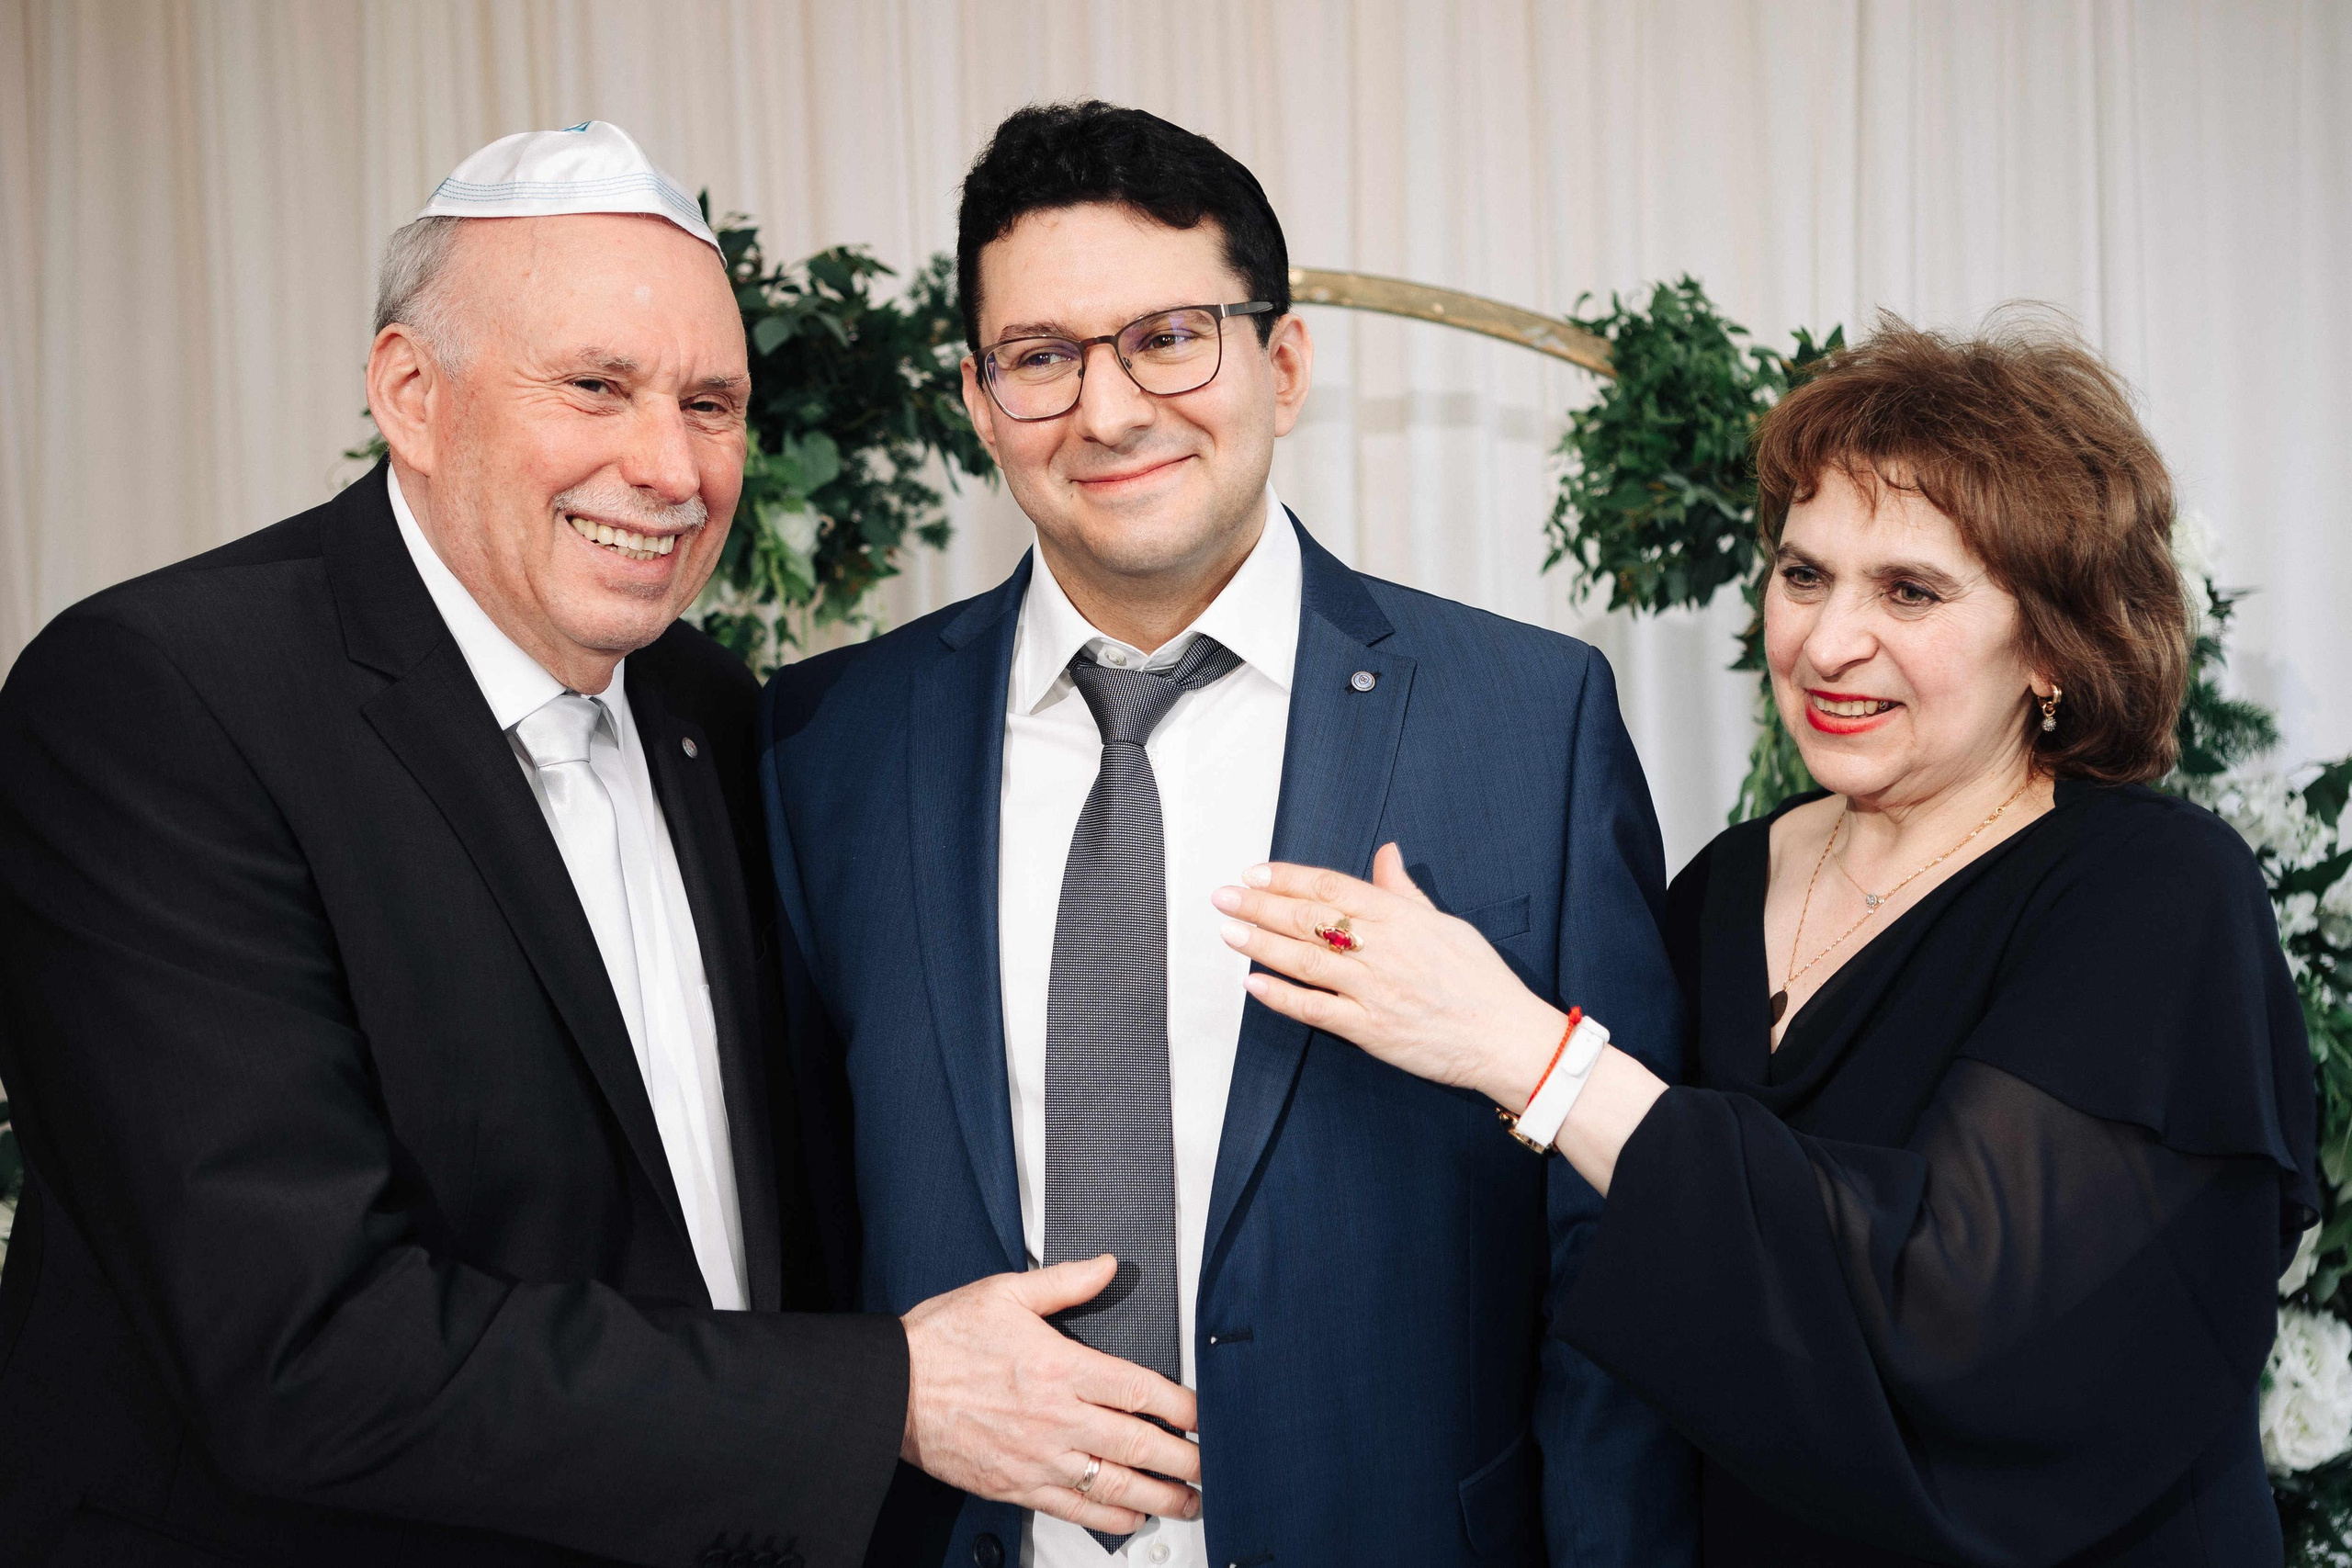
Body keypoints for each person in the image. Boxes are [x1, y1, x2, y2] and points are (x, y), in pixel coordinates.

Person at [0, 123, 1197, 1568]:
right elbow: (299, 1351)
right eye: (595, 388)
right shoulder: (160, 697)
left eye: (711, 403)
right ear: (410, 394)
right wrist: (892, 1391)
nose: (670, 467)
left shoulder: (709, 707)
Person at [1215, 317, 2318, 1565]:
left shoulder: (2153, 891)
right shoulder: (1723, 890)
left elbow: (1963, 1322)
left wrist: (1538, 1059)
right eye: (1804, 575)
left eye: (1909, 589)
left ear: (2055, 647)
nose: (1828, 641)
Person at [760, 100, 1697, 1568]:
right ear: (976, 398)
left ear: (1284, 360)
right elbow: (796, 1222)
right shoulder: (826, 746)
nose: (1111, 409)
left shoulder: (1529, 721)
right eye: (1042, 358)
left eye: (1169, 336)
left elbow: (1612, 1256)